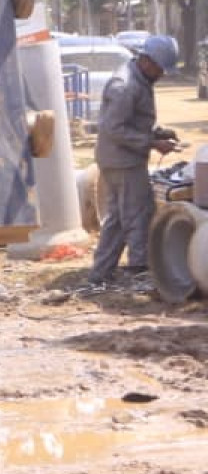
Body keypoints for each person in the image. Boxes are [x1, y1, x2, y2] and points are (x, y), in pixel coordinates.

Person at [89, 35, 184, 290]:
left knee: (118, 219)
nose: (162, 74)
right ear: (148, 61)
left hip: (119, 159)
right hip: (123, 161)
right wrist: (153, 144)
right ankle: (139, 275)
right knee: (139, 215)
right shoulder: (126, 85)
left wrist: (158, 133)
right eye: (161, 69)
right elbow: (114, 129)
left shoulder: (138, 79)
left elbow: (132, 121)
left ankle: (101, 273)